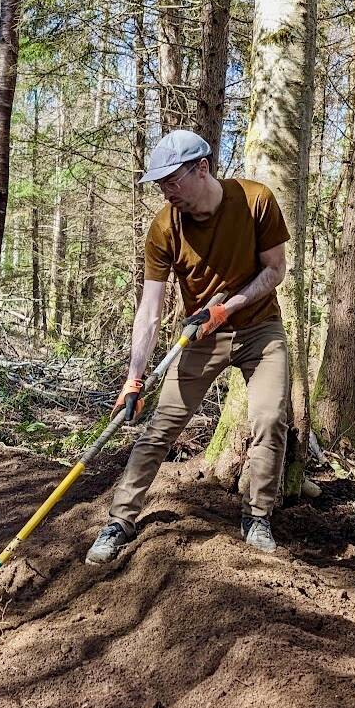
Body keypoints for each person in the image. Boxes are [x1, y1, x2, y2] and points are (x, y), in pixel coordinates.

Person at [87, 129, 292, 564]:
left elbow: (276, 270)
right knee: (160, 428)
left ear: (202, 168)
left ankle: (257, 517)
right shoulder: (164, 228)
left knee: (271, 419)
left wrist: (228, 307)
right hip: (201, 337)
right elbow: (150, 308)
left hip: (260, 329)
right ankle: (120, 520)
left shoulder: (256, 200)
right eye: (160, 184)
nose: (166, 191)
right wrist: (133, 378)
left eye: (172, 181)